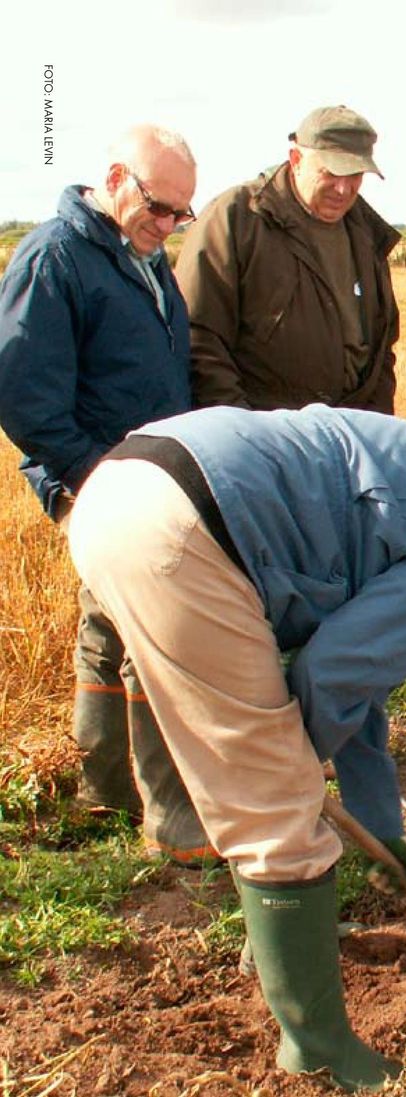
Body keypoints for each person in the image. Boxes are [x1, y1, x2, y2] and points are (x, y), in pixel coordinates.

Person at [66, 403, 406, 1088]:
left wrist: (380, 825)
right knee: (275, 806)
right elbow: (334, 672)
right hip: (185, 533)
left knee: (274, 786)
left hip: (122, 490)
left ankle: (276, 938)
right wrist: (295, 774)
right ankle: (317, 1042)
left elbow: (361, 670)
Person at [0, 124, 214, 863]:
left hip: (150, 481)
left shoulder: (146, 261)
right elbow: (22, 392)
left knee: (108, 628)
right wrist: (93, 479)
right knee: (151, 632)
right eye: (159, 208)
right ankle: (172, 815)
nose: (168, 226)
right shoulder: (56, 258)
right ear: (117, 178)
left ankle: (107, 788)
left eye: (181, 214)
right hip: (103, 484)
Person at [175, 105, 400, 414]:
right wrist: (243, 432)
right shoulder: (238, 218)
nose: (343, 188)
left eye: (355, 175)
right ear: (296, 159)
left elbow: (382, 350)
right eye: (331, 172)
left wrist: (375, 429)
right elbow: (199, 336)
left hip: (348, 438)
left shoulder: (367, 233)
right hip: (265, 438)